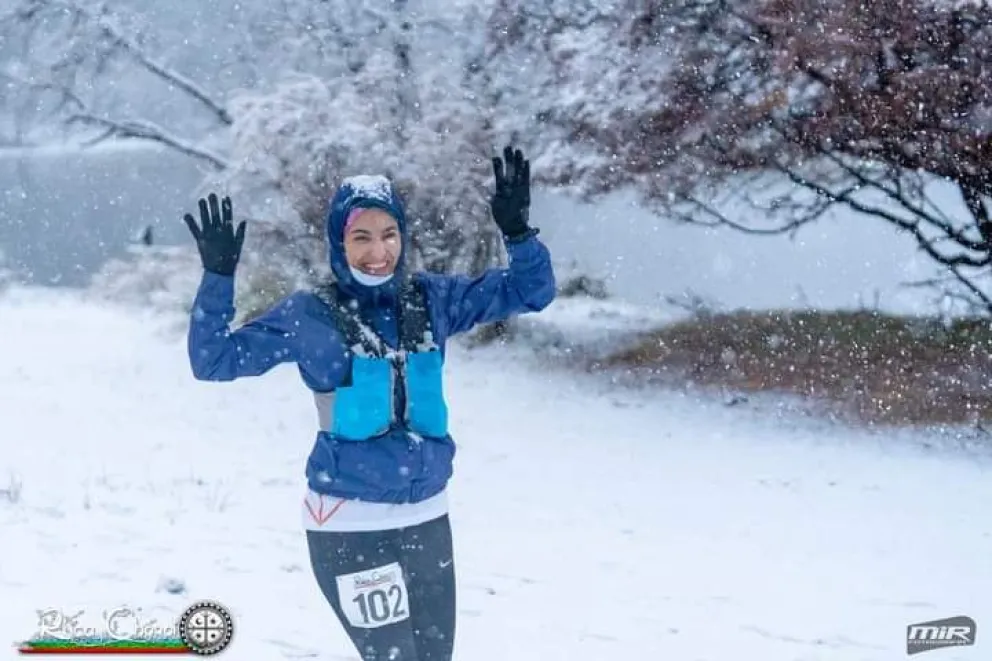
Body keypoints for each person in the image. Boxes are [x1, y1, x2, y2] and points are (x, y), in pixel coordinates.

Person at [182, 146, 556, 660]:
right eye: (361, 237)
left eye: (389, 235)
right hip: (349, 524)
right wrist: (218, 278)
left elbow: (531, 291)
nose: (378, 252)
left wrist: (518, 234)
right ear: (339, 242)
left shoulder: (431, 299)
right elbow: (214, 359)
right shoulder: (308, 315)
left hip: (427, 516)